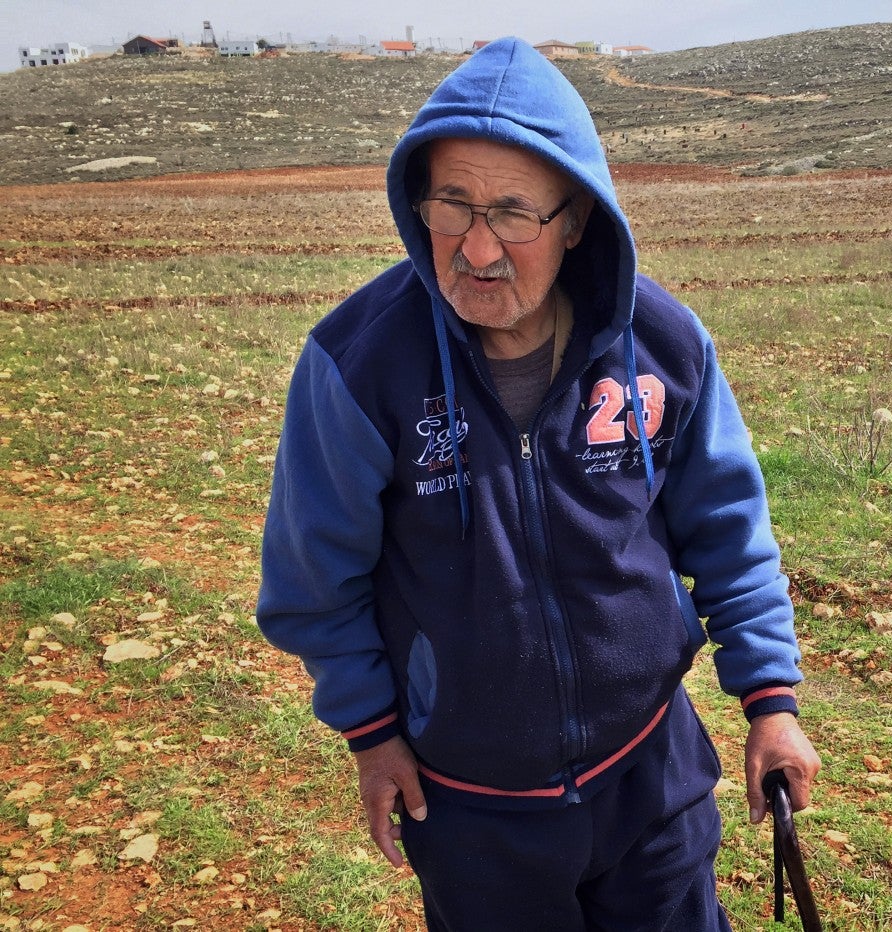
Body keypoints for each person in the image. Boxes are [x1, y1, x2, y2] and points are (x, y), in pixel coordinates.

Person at [255, 36, 820, 931]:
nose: (477, 248)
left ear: (577, 218)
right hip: (472, 808)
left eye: (514, 213)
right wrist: (370, 733)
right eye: (452, 203)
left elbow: (729, 531)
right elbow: (311, 587)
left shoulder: (663, 346)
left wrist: (771, 702)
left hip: (651, 781)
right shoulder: (357, 366)